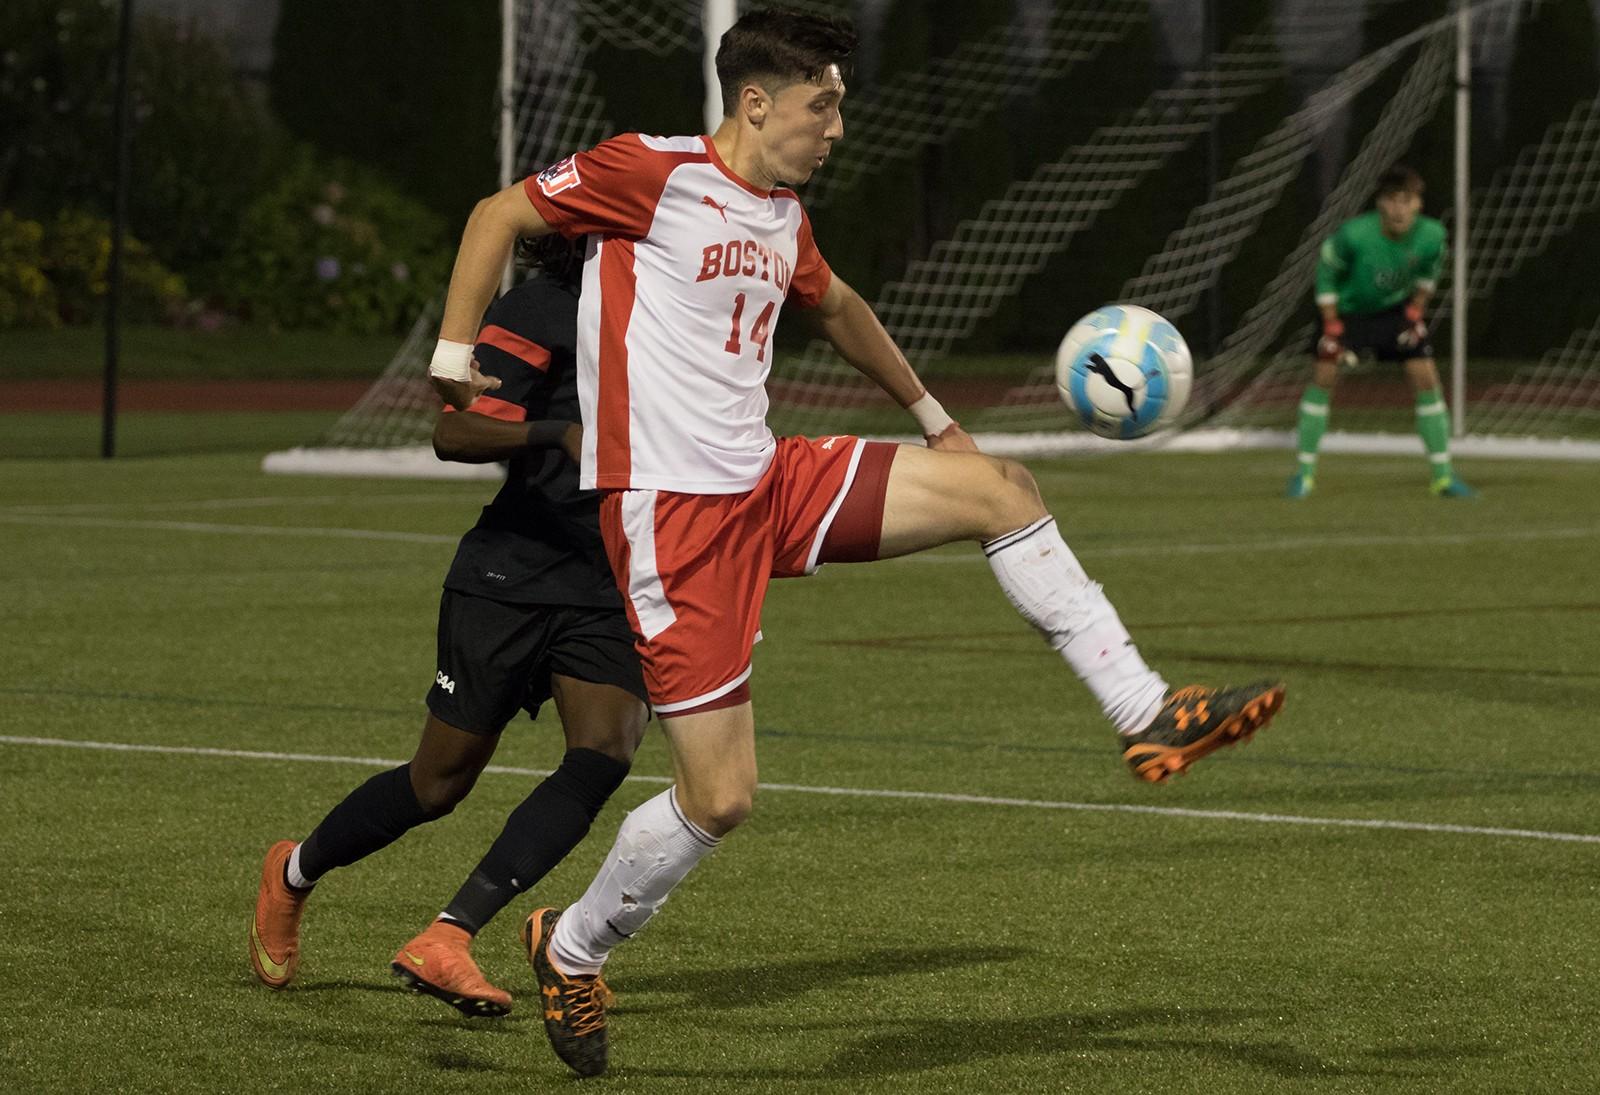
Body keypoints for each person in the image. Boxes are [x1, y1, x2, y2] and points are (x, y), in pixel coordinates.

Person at [425, 8, 1286, 1077]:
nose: (836, 127)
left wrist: (932, 416)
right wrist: (455, 354)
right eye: (821, 104)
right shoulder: (648, 172)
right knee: (721, 798)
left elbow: (835, 306)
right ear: (756, 101)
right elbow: (495, 213)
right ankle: (574, 945)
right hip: (672, 520)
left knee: (1000, 488)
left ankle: (1146, 711)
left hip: (770, 481)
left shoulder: (781, 214)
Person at [250, 235, 650, 1019]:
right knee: (437, 782)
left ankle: (451, 933)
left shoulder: (663, 316)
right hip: (510, 574)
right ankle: (292, 871)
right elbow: (454, 434)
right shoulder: (541, 307)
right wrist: (555, 435)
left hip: (604, 580)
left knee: (605, 750)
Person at [1286, 165, 1475, 499]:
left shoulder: (1432, 236)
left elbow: (1427, 278)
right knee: (1324, 376)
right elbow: (1327, 274)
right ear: (1380, 204)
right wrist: (1332, 325)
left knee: (1426, 378)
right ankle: (1304, 475)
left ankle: (1443, 477)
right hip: (1346, 312)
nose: (1399, 209)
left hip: (1393, 313)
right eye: (1392, 200)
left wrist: (1415, 313)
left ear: (1418, 204)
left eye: (1407, 200)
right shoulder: (1353, 235)